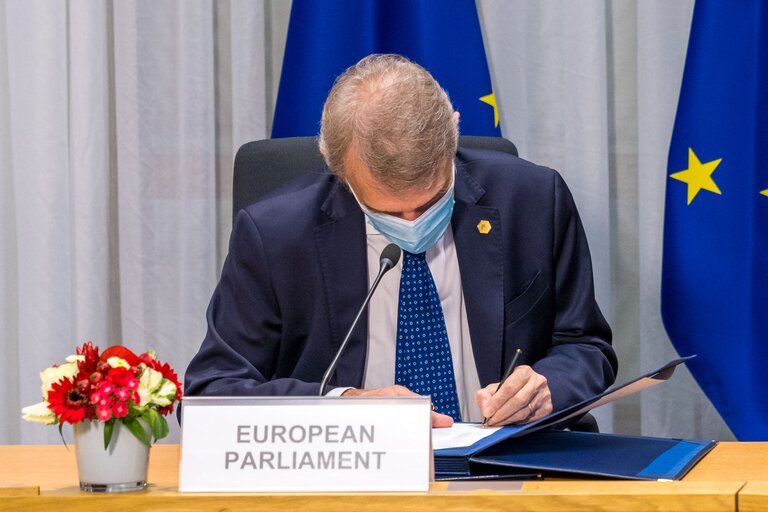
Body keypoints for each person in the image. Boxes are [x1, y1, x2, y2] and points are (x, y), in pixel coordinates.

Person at [184, 54, 617, 428]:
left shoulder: (534, 201)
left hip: (506, 468)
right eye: (388, 212)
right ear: (335, 166)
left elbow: (586, 346)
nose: (413, 222)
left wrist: (545, 388)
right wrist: (344, 405)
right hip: (347, 479)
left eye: (431, 202)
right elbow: (211, 393)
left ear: (454, 130)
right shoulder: (275, 235)